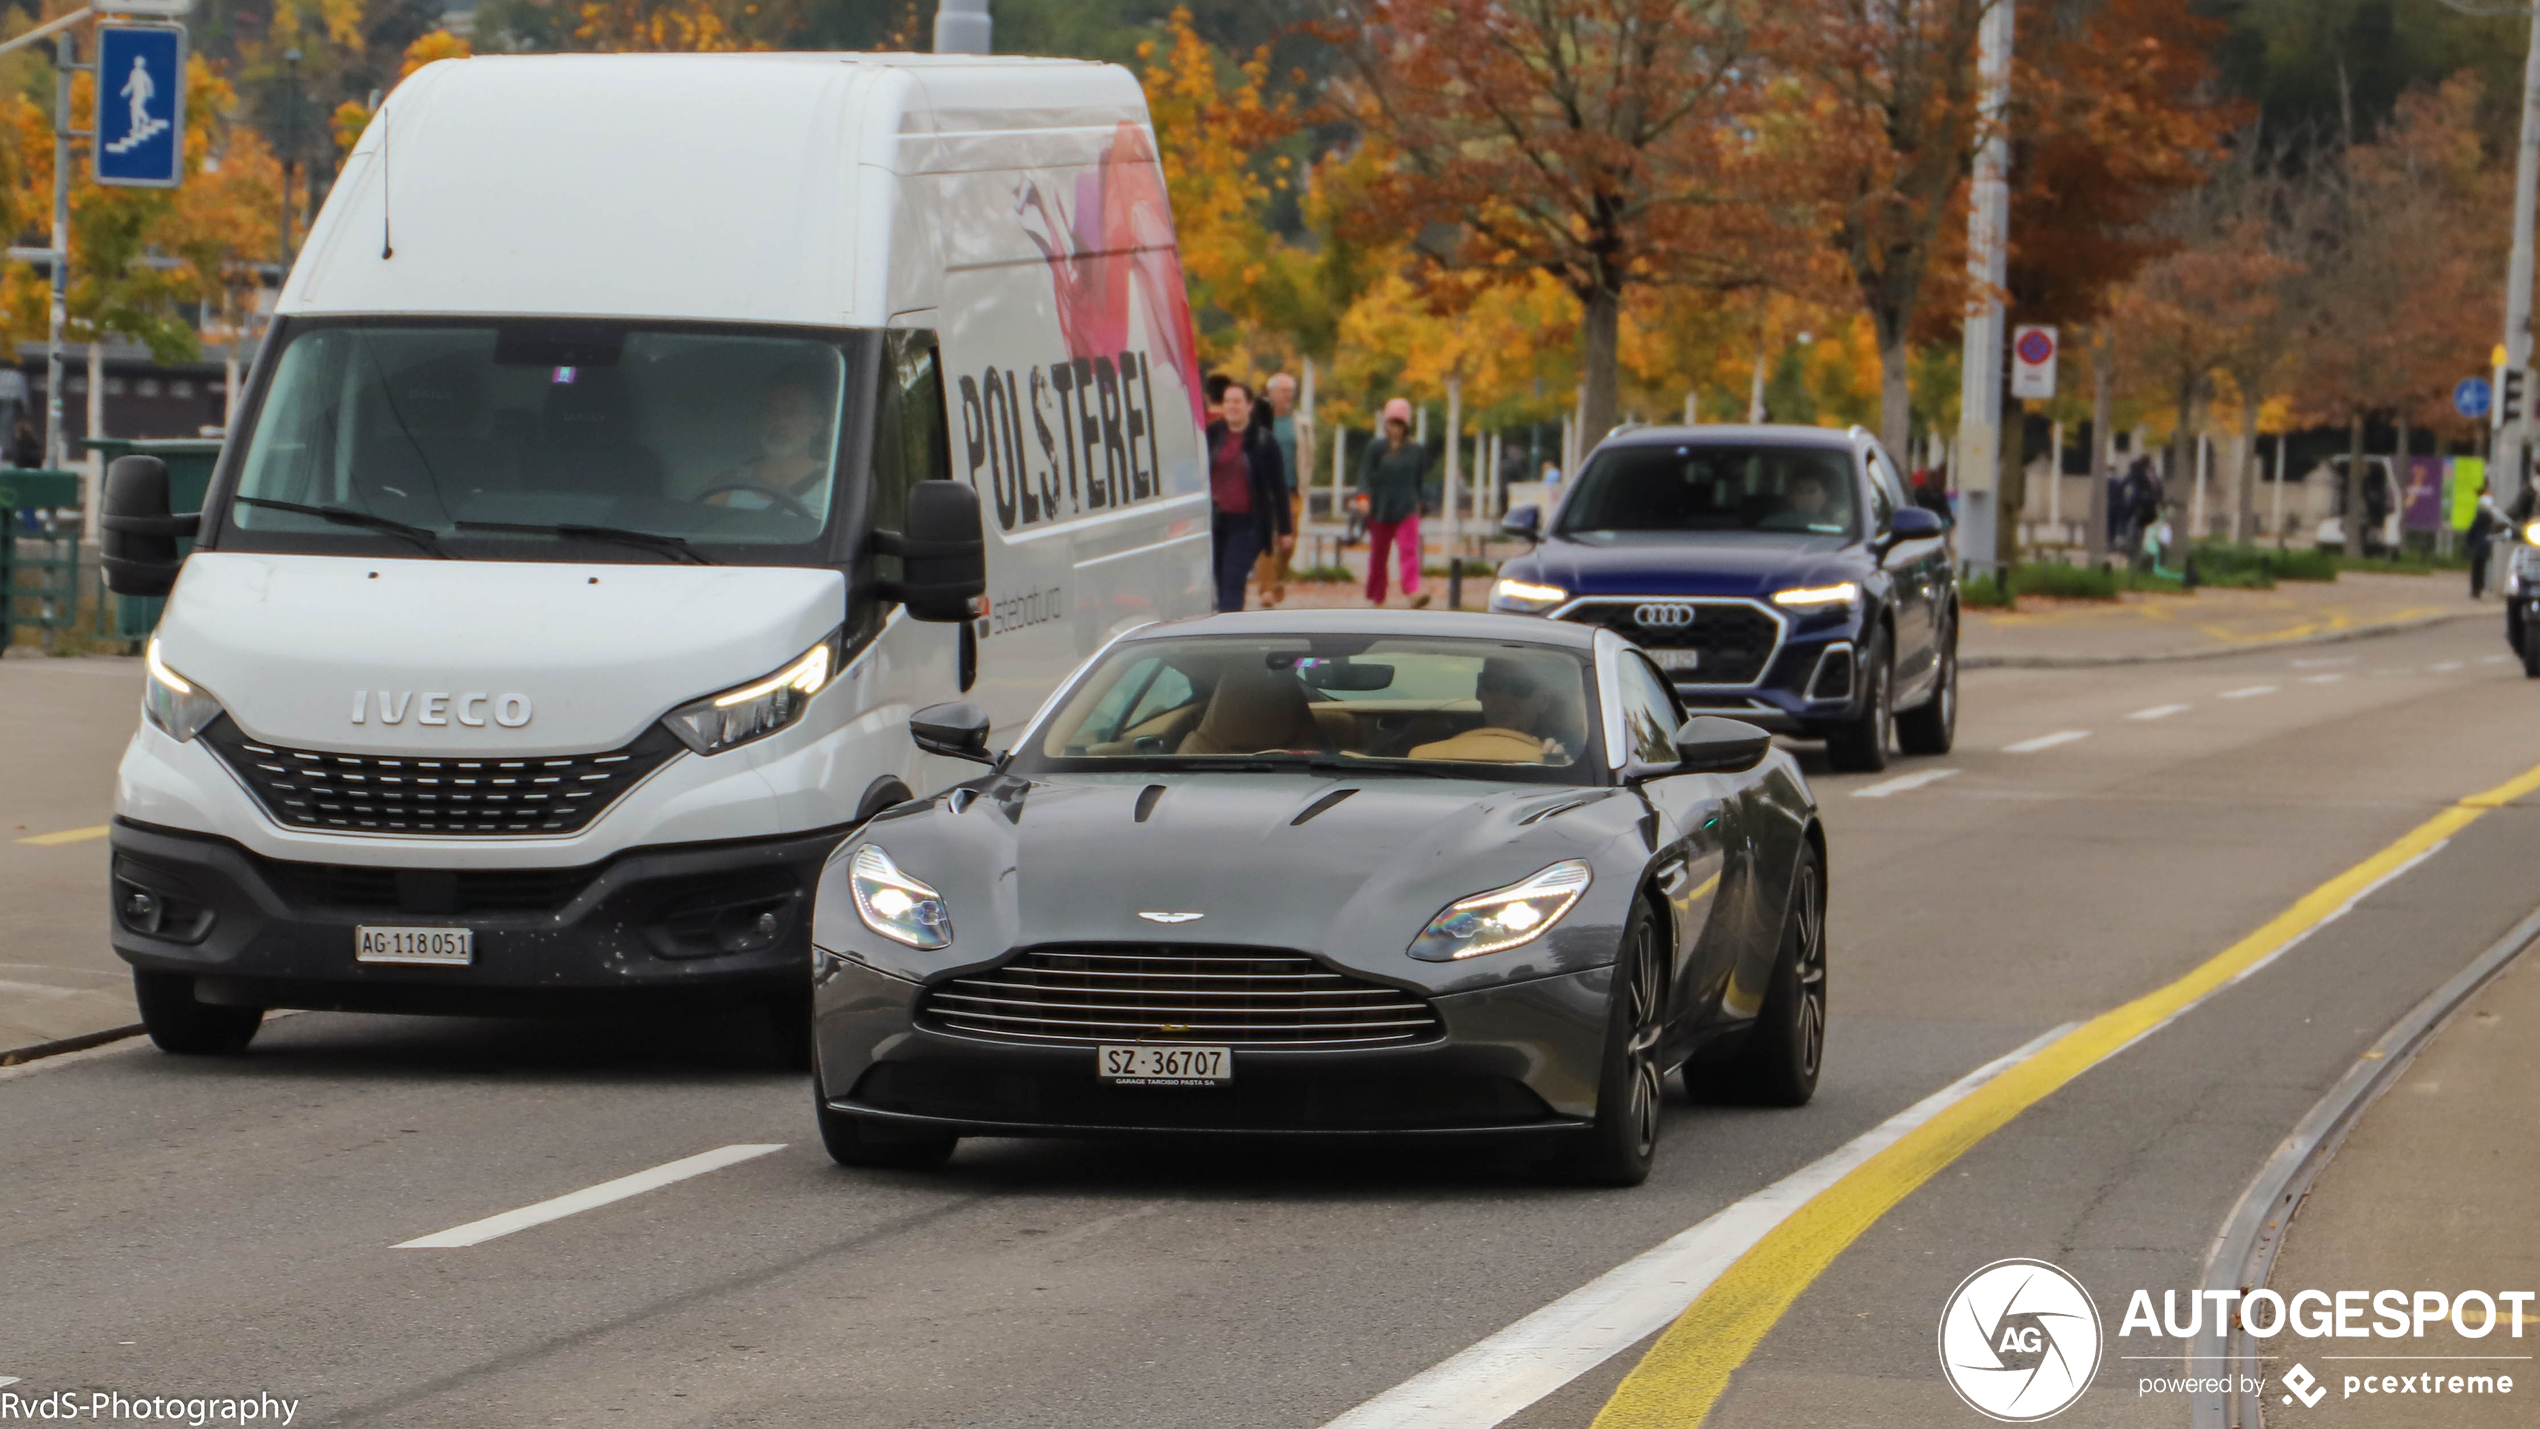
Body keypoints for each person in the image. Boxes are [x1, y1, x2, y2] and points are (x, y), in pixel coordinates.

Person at [1205, 375, 1288, 613]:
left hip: (1249, 522)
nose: (1232, 406)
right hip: (1217, 521)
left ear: (1249, 406)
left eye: (1237, 401)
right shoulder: (1212, 435)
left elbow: (1278, 487)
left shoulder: (1263, 441)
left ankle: (1229, 630)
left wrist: (1285, 529)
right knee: (1218, 578)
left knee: (1233, 576)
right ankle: (1222, 623)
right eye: (1228, 401)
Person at [708, 376, 828, 508]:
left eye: (792, 412)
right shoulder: (727, 486)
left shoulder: (834, 486)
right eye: (770, 411)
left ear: (816, 425)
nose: (779, 421)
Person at [1358, 397, 1431, 608]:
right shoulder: (1375, 448)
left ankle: (1413, 590)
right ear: (1386, 424)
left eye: (1399, 424)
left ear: (1406, 425)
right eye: (1392, 423)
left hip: (1407, 507)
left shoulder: (1416, 450)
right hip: (1380, 508)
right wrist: (1363, 498)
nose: (1395, 428)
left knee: (1409, 550)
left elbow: (1419, 481)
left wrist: (1421, 503)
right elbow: (1364, 475)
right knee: (1379, 555)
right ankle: (1377, 596)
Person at [1253, 373, 1303, 606]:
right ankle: (1265, 589)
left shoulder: (1298, 423)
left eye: (1291, 391)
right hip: (1263, 489)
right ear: (1270, 392)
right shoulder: (1259, 420)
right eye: (1284, 391)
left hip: (1291, 488)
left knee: (1289, 539)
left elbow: (1306, 454)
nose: (1288, 396)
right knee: (1265, 539)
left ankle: (1279, 578)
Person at [2471, 481, 2506, 599]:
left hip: (2479, 543)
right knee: (2481, 568)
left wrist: (2469, 540)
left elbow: (2474, 528)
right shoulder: (2490, 515)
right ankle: (2479, 589)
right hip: (2486, 543)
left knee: (2477, 568)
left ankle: (2476, 590)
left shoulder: (2481, 513)